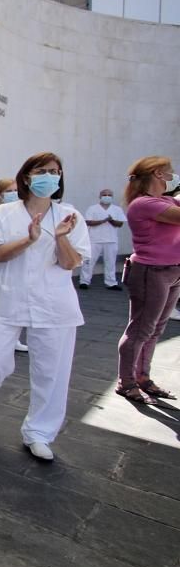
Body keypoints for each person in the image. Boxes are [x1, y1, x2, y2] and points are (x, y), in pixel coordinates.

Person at [0, 152, 89, 463]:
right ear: (27, 177)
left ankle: (40, 432)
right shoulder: (4, 214)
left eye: (55, 171)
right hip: (7, 298)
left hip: (54, 304)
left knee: (52, 372)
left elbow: (72, 263)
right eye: (43, 170)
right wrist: (28, 240)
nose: (50, 176)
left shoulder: (70, 216)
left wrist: (60, 238)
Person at [115, 157, 180, 404]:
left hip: (173, 272)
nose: (174, 176)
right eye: (170, 172)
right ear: (158, 174)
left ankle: (142, 377)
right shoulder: (143, 204)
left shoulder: (165, 200)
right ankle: (126, 382)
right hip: (151, 272)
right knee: (140, 329)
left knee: (155, 329)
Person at [0, 178, 29, 353]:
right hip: (1, 262)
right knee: (0, 303)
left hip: (16, 262)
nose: (14, 194)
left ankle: (12, 339)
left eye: (15, 190)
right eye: (9, 191)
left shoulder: (18, 212)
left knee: (13, 303)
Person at [79, 188, 126, 290]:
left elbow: (120, 223)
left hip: (111, 240)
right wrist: (103, 221)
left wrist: (111, 220)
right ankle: (84, 281)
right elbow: (88, 222)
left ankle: (111, 282)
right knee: (89, 261)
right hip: (94, 239)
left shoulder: (117, 209)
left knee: (111, 262)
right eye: (105, 195)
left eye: (109, 195)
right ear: (100, 197)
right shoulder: (93, 208)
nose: (107, 196)